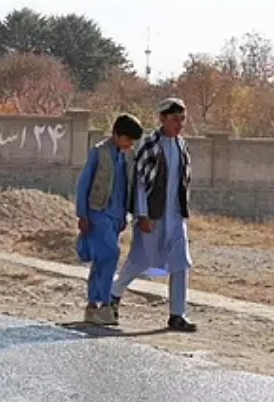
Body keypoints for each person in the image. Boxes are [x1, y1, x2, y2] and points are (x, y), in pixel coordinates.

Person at [110, 98, 198, 333]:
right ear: (162, 119)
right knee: (139, 261)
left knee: (180, 264)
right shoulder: (151, 145)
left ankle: (177, 315)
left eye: (182, 119)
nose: (179, 124)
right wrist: (142, 214)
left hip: (176, 215)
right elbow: (140, 183)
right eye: (174, 119)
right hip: (152, 215)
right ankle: (113, 295)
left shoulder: (181, 145)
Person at [74, 113, 144, 326]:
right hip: (98, 214)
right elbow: (84, 184)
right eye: (127, 139)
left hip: (114, 217)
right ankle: (105, 304)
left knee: (101, 262)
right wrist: (82, 215)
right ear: (116, 134)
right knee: (111, 256)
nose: (130, 144)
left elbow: (125, 188)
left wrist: (124, 216)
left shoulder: (126, 156)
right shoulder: (99, 152)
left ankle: (92, 306)